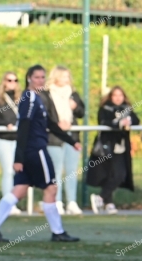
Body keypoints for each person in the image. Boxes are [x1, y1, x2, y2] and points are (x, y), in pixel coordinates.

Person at [0, 65, 81, 243]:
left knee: (19, 190)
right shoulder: (29, 98)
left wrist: (71, 141)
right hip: (35, 151)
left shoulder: (38, 98)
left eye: (43, 77)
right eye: (36, 77)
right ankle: (57, 232)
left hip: (31, 150)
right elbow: (24, 127)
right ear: (29, 78)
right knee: (51, 188)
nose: (40, 80)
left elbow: (50, 124)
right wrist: (19, 157)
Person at [88, 86, 140, 215]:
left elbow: (136, 121)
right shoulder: (105, 108)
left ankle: (102, 199)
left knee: (120, 175)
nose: (118, 98)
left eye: (120, 95)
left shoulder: (127, 109)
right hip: (107, 147)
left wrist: (129, 121)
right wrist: (118, 124)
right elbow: (104, 122)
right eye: (115, 95)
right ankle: (107, 201)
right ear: (111, 97)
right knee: (108, 174)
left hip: (121, 148)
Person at [41, 66, 85, 215]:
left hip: (71, 136)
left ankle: (71, 202)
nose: (66, 79)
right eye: (63, 76)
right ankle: (57, 201)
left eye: (68, 77)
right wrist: (57, 124)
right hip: (54, 137)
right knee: (56, 171)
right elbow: (45, 113)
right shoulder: (46, 94)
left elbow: (81, 113)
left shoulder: (73, 94)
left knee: (72, 170)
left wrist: (75, 106)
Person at [0, 71, 21, 216]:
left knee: (16, 171)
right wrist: (5, 124)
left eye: (15, 80)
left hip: (17, 139)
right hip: (3, 138)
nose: (12, 83)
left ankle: (13, 202)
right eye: (9, 80)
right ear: (4, 81)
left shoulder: (19, 97)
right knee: (8, 170)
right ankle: (7, 204)